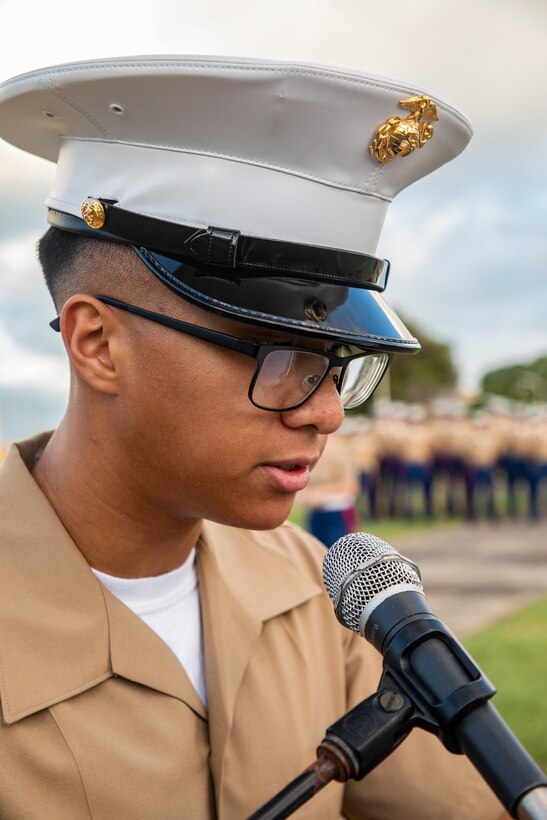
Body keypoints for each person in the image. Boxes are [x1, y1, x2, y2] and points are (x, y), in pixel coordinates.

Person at [0, 55, 506, 818]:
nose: (327, 413)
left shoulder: (313, 587)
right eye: (278, 355)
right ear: (98, 345)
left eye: (338, 364)